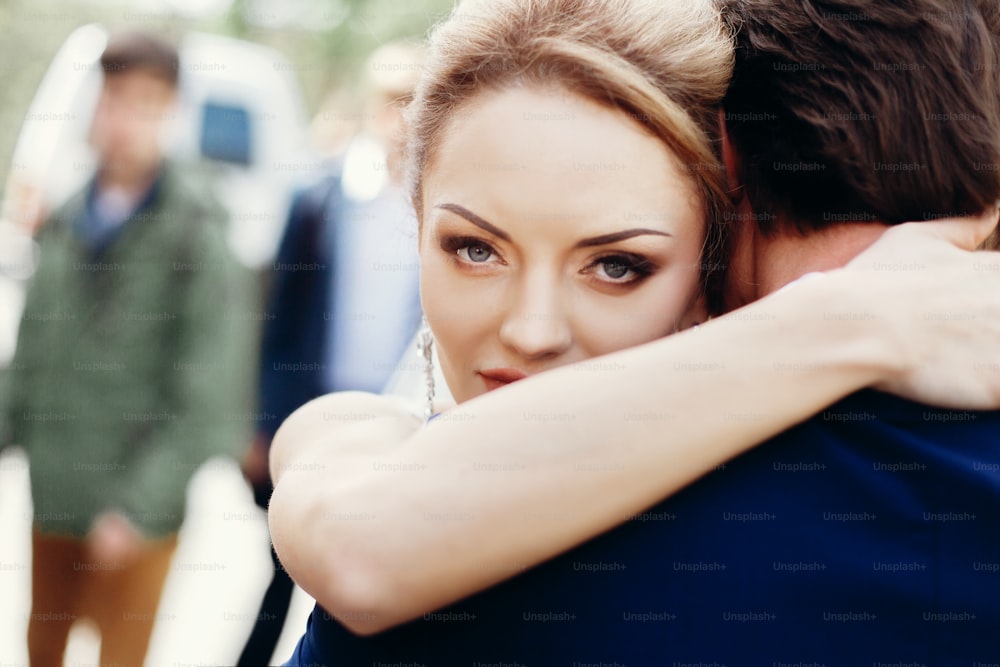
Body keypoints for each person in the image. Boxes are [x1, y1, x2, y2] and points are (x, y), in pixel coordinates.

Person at [265, 0, 1000, 662]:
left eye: (616, 265)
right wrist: (852, 316)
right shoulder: (356, 444)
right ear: (416, 220)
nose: (533, 330)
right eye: (476, 248)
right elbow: (360, 543)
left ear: (712, 249)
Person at [0, 31, 253, 667]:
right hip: (54, 494)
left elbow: (210, 394)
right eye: (115, 98)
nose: (125, 120)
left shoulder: (197, 229)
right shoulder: (65, 216)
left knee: (119, 657)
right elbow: (28, 361)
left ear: (170, 113)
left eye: (147, 103)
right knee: (42, 647)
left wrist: (139, 509)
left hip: (134, 514)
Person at [236, 41, 425, 665]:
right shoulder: (320, 198)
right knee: (282, 568)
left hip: (398, 418)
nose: (400, 120)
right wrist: (263, 423)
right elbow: (277, 317)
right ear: (372, 108)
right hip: (311, 406)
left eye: (413, 104)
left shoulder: (440, 208)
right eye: (391, 103)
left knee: (363, 580)